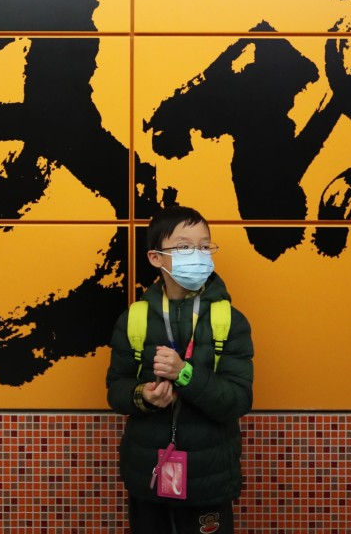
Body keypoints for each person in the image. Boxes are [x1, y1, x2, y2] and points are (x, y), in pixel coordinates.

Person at [107, 206, 254, 534]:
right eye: (185, 247)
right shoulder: (135, 319)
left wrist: (185, 374)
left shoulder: (229, 320)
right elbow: (116, 389)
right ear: (155, 257)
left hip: (209, 479)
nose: (198, 255)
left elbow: (238, 400)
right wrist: (143, 396)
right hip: (149, 474)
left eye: (204, 246)